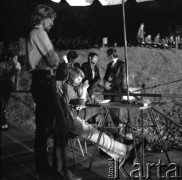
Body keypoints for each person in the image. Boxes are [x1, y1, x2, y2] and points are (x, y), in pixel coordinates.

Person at [27, 5, 81, 180]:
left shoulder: (33, 33)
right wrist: (59, 64)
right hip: (44, 82)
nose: (52, 23)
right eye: (51, 19)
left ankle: (43, 170)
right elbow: (53, 59)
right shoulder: (39, 32)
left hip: (39, 81)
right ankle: (61, 170)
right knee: (62, 125)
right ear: (44, 17)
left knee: (42, 129)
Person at [56, 67, 136, 160]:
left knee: (101, 117)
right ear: (71, 77)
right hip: (74, 116)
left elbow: (81, 102)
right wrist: (85, 89)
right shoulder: (67, 87)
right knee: (102, 109)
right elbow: (74, 103)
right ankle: (118, 136)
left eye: (80, 79)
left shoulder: (73, 87)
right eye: (78, 78)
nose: (79, 80)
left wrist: (84, 96)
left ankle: (120, 149)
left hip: (75, 116)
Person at [0, 42, 21, 131]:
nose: (16, 59)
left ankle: (3, 119)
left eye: (17, 58)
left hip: (9, 85)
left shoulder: (17, 65)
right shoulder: (2, 65)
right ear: (10, 58)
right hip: (1, 84)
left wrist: (16, 87)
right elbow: (1, 78)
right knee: (1, 105)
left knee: (4, 106)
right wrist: (12, 73)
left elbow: (17, 76)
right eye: (15, 58)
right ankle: (4, 124)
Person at [103, 48, 126, 128]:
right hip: (108, 90)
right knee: (107, 107)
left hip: (117, 90)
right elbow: (106, 76)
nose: (107, 56)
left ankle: (118, 126)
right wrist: (105, 82)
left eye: (108, 55)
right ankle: (111, 127)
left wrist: (111, 83)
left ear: (111, 55)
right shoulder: (109, 65)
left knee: (116, 109)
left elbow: (121, 77)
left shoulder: (122, 64)